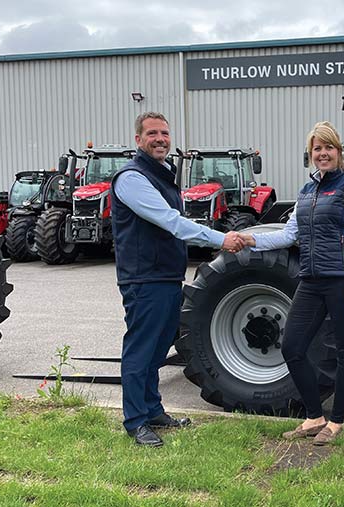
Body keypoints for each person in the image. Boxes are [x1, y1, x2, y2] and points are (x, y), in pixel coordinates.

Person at [111, 112, 245, 447]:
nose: (160, 139)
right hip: (144, 278)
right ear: (138, 139)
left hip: (166, 275)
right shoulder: (132, 178)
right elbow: (170, 221)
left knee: (158, 349)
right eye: (152, 133)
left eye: (165, 133)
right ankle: (135, 421)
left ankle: (153, 410)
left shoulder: (161, 173)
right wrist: (220, 239)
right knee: (141, 350)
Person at [240, 121, 344, 446]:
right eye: (317, 149)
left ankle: (337, 422)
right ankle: (314, 416)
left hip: (342, 282)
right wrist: (249, 240)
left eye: (328, 147)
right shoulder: (307, 191)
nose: (323, 153)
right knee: (292, 347)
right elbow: (288, 235)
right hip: (311, 280)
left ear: (338, 152)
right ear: (311, 154)